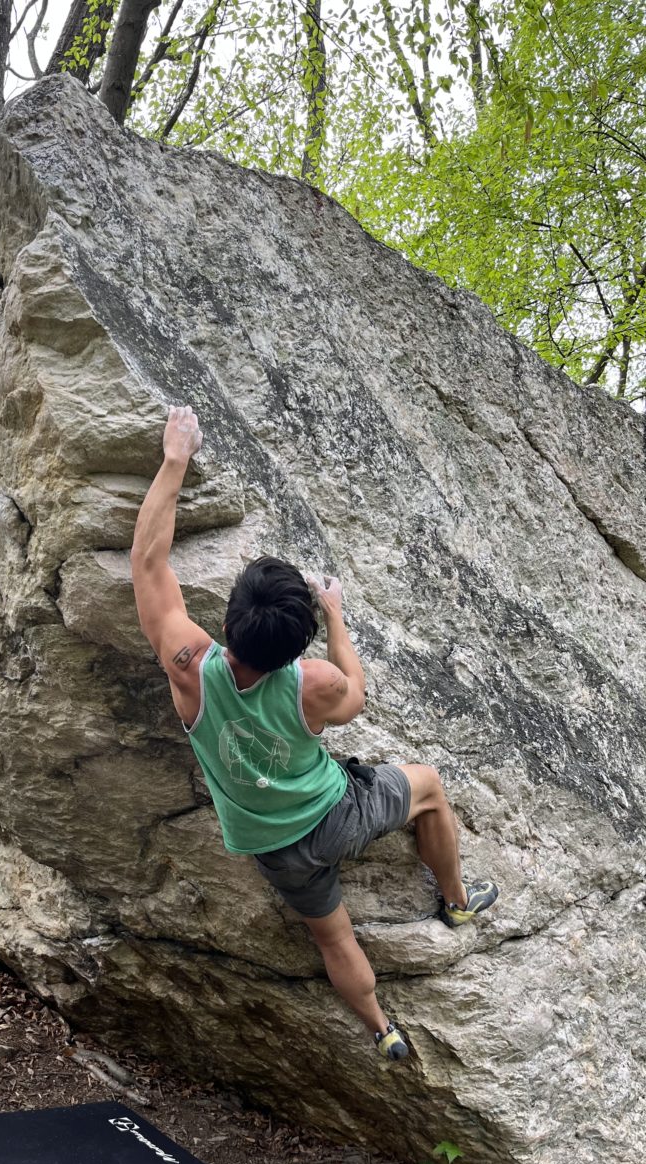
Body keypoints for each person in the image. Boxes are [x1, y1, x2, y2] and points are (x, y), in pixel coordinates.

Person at [130, 405, 498, 1062]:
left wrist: (176, 457)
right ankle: (457, 901)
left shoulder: (188, 667)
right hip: (337, 816)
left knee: (332, 936)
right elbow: (355, 693)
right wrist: (334, 613)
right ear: (295, 645)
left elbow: (147, 561)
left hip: (273, 848)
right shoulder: (311, 683)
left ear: (229, 621)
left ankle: (381, 1028)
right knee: (429, 787)